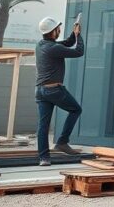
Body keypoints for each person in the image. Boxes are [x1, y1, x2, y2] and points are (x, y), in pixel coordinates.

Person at [34, 16, 85, 166]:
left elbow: (67, 43)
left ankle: (44, 158)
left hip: (41, 91)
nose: (59, 30)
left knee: (43, 125)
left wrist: (73, 33)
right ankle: (62, 142)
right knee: (76, 110)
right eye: (58, 29)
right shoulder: (54, 48)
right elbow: (78, 51)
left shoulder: (42, 45)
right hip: (54, 90)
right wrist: (79, 36)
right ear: (52, 32)